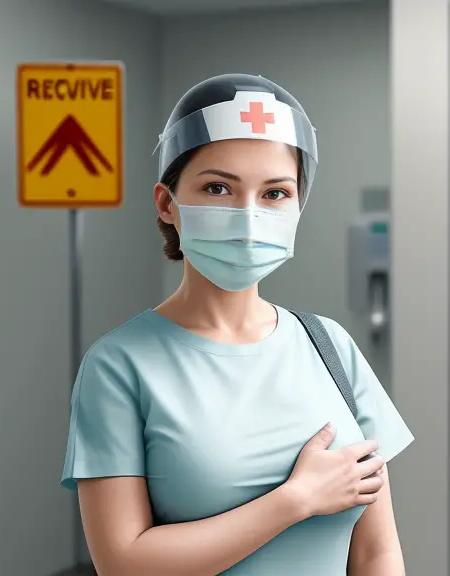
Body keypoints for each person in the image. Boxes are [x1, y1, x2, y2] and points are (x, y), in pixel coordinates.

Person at [60, 74, 414, 575]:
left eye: (274, 193)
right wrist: (295, 501)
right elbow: (123, 563)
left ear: (297, 207)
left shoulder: (329, 346)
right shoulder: (119, 365)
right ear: (167, 203)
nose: (248, 217)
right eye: (218, 187)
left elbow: (378, 551)